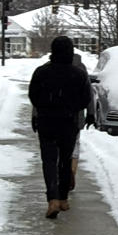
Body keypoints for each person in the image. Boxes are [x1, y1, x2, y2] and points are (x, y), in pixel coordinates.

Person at [28, 36, 91, 218]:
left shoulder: (41, 72)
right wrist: (71, 107)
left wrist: (45, 108)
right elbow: (85, 99)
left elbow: (33, 95)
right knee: (65, 160)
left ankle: (52, 199)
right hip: (68, 122)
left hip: (47, 121)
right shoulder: (78, 74)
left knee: (48, 160)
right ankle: (63, 198)